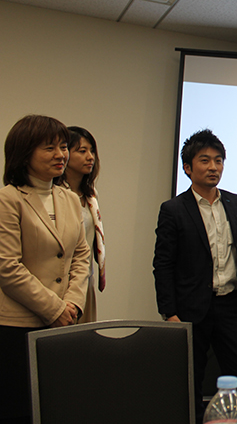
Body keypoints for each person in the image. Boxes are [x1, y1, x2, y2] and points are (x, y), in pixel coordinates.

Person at [152, 129, 237, 422]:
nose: (214, 167)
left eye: (219, 160)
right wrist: (169, 312)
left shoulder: (236, 203)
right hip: (190, 308)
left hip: (231, 304)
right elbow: (163, 264)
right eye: (205, 160)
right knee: (189, 379)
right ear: (188, 167)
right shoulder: (173, 209)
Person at [0, 115, 91, 424]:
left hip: (63, 323)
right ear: (25, 153)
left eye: (63, 146)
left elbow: (81, 254)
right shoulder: (8, 199)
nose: (60, 154)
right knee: (19, 409)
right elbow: (8, 268)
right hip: (18, 325)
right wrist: (54, 309)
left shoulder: (69, 198)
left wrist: (73, 303)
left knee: (58, 407)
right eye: (49, 147)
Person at [55, 126, 106, 322]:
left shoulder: (91, 195)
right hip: (60, 283)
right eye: (82, 151)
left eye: (92, 151)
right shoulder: (55, 194)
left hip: (84, 279)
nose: (90, 157)